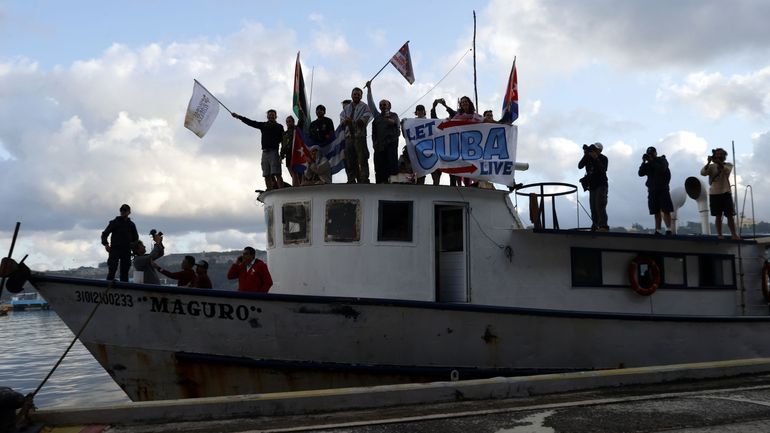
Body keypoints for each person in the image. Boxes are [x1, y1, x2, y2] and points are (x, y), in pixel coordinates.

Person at [232, 109, 285, 190]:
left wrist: (282, 154)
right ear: (267, 116)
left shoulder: (279, 127)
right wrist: (238, 117)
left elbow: (283, 141)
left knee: (277, 173)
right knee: (266, 174)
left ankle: (281, 190)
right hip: (265, 152)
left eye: (273, 115)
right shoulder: (263, 125)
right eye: (270, 115)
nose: (271, 116)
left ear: (276, 116)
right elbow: (251, 122)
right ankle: (269, 190)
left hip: (274, 152)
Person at [700, 148, 740, 240]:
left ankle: (734, 235)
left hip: (726, 192)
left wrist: (718, 163)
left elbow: (726, 171)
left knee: (730, 215)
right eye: (717, 154)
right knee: (718, 216)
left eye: (721, 154)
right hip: (714, 193)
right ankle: (719, 234)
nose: (719, 155)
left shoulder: (728, 165)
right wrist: (708, 163)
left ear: (724, 156)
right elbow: (703, 173)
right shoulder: (711, 166)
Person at [366, 81, 400, 184]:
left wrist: (389, 120)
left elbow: (396, 125)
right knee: (379, 168)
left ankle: (393, 184)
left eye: (385, 104)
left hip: (391, 145)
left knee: (392, 166)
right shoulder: (377, 117)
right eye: (381, 105)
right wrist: (369, 89)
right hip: (379, 146)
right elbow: (371, 104)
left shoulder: (394, 115)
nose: (382, 106)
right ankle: (380, 185)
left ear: (389, 106)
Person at [638, 146, 674, 235]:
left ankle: (669, 229)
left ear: (656, 153)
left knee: (666, 209)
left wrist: (652, 161)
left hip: (663, 189)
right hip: (652, 190)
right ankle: (658, 230)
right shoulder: (648, 164)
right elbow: (640, 173)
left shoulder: (662, 160)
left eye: (652, 153)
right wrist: (643, 162)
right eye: (649, 154)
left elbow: (662, 169)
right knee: (656, 211)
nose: (650, 155)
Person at [340, 87, 372, 183]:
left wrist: (351, 121)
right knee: (350, 159)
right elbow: (342, 123)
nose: (356, 96)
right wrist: (345, 122)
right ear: (351, 95)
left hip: (360, 137)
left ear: (361, 96)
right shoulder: (346, 108)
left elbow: (364, 121)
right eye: (355, 94)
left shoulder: (365, 107)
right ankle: (351, 179)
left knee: (362, 158)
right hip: (349, 137)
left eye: (358, 94)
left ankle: (364, 179)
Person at [101, 204, 139, 282]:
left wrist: (133, 247)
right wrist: (106, 244)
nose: (123, 212)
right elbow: (105, 234)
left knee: (124, 272)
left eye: (125, 210)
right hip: (115, 249)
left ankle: (124, 288)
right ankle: (108, 285)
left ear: (129, 212)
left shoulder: (131, 225)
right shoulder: (114, 222)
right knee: (112, 269)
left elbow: (136, 238)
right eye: (121, 210)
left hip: (126, 250)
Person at [578, 142, 609, 231]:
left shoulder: (603, 158)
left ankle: (603, 226)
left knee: (600, 205)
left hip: (601, 185)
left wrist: (596, 158)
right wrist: (586, 154)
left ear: (600, 150)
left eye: (595, 149)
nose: (593, 151)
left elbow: (603, 170)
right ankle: (595, 227)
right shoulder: (588, 158)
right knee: (593, 208)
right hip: (592, 186)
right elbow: (580, 166)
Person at [280, 115, 300, 186]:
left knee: (296, 172)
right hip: (288, 154)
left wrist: (300, 110)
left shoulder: (297, 129)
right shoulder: (284, 133)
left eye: (290, 121)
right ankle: (296, 185)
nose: (288, 123)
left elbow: (301, 121)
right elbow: (283, 145)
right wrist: (281, 155)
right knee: (292, 173)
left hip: (296, 153)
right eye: (287, 122)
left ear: (293, 122)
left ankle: (296, 187)